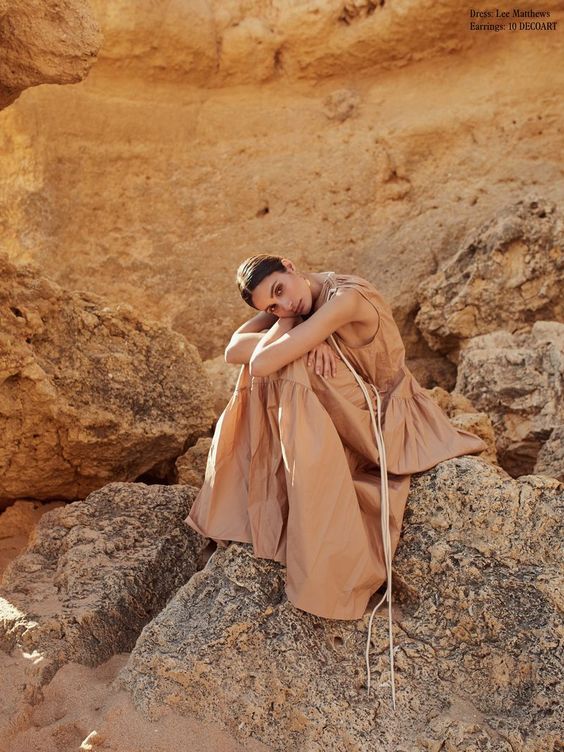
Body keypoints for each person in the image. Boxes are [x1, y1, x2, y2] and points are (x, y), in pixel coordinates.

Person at [184, 254, 487, 707]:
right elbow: (233, 351)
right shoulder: (298, 305)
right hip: (349, 405)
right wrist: (300, 332)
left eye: (282, 291)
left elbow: (267, 359)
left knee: (287, 369)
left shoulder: (344, 297)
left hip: (386, 416)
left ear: (289, 264)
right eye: (273, 305)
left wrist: (300, 337)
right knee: (279, 365)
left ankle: (321, 553)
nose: (283, 305)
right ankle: (264, 503)